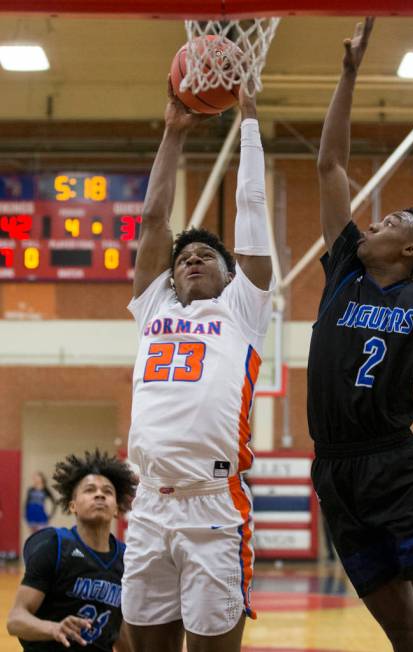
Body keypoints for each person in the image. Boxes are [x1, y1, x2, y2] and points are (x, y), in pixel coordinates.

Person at [308, 17, 413, 652]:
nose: (377, 217)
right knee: (403, 632)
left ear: (410, 248)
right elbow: (329, 164)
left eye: (395, 218)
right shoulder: (346, 269)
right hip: (334, 470)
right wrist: (349, 74)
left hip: (393, 465)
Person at [121, 79, 274, 652]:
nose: (190, 261)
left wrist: (251, 118)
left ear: (229, 274)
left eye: (205, 255)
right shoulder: (154, 303)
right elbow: (155, 219)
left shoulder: (242, 308)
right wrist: (173, 132)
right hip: (150, 504)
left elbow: (252, 210)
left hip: (214, 506)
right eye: (183, 258)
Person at [7, 450, 137, 651]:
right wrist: (54, 628)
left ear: (117, 509)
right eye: (89, 490)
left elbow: (119, 631)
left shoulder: (127, 558)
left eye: (108, 491)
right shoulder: (55, 546)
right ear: (73, 505)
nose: (100, 494)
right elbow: (15, 620)